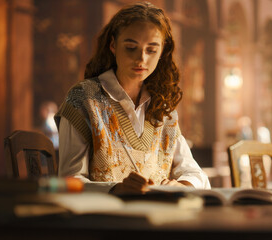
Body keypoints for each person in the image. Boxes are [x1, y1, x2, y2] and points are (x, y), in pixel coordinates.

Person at [55, 2, 210, 194]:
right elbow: (70, 181)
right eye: (130, 47)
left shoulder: (162, 109)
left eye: (151, 50)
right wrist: (116, 189)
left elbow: (195, 173)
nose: (141, 59)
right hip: (102, 220)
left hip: (158, 219)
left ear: (162, 51)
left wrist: (182, 184)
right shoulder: (84, 99)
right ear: (113, 45)